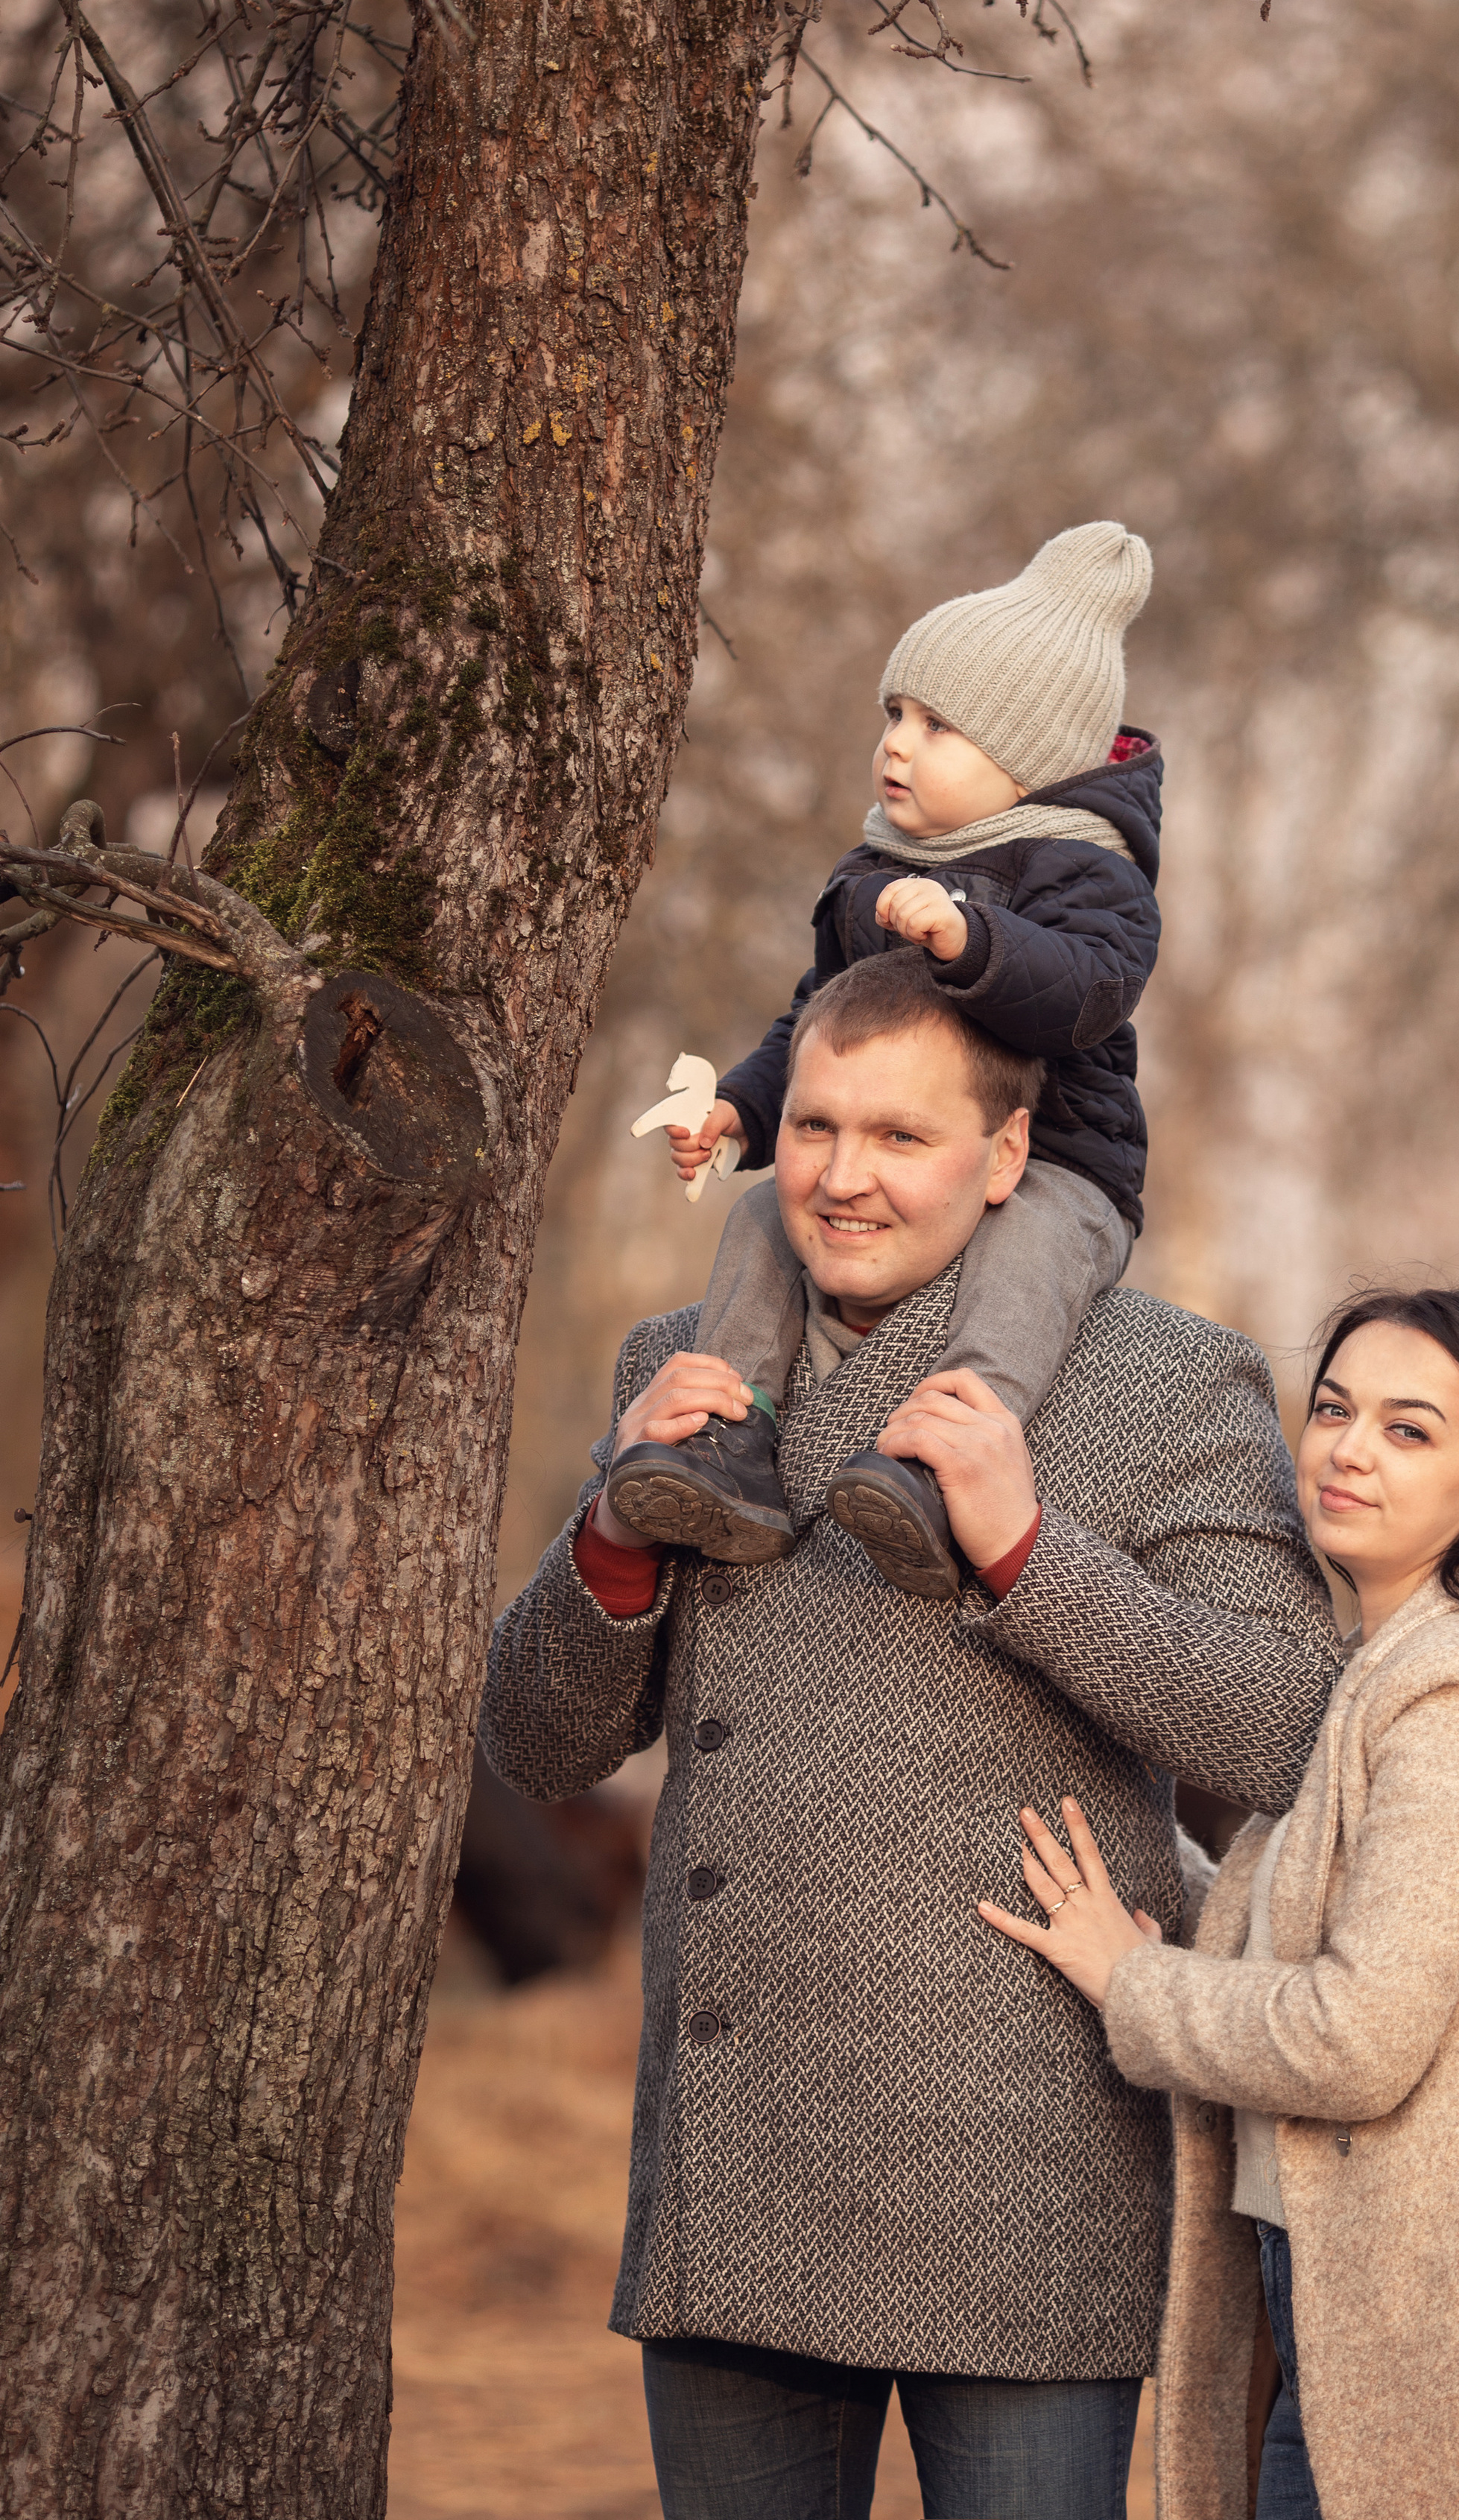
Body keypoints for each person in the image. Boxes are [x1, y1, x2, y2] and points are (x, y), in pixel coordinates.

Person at [478, 946, 1346, 2520]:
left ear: (1006, 1156)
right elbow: (537, 1750)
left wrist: (1027, 1553)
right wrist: (607, 1533)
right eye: (813, 1128)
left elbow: (1287, 1726)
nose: (842, 1178)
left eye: (899, 1137)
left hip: (1026, 2180)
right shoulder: (686, 1370)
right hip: (736, 2185)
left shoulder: (1163, 1379)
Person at [977, 1285, 1459, 2520]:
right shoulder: (1383, 1673)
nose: (1349, 1449)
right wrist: (1121, 1852)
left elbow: (1358, 2038)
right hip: (1348, 2298)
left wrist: (1132, 1983)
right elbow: (1299, 1926)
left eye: (1410, 1431)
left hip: (1432, 2339)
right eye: (1336, 1409)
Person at [605, 520, 1162, 1599]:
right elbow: (820, 1019)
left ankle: (936, 1458)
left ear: (1032, 757)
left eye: (939, 726)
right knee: (767, 1214)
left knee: (1027, 1256)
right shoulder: (873, 869)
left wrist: (975, 940)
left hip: (1063, 1166)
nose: (897, 744)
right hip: (909, 1151)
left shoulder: (1090, 873)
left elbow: (1091, 988)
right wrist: (746, 1113)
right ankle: (730, 1436)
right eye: (895, 714)